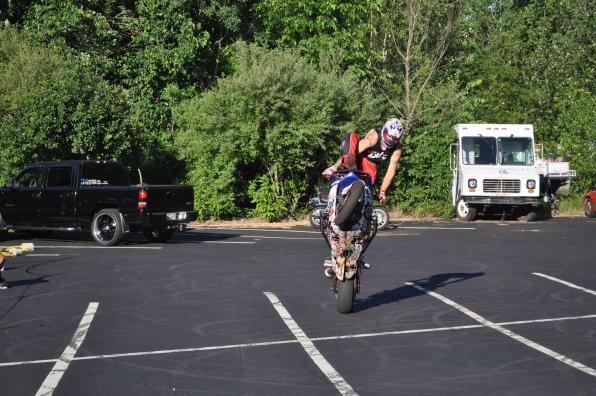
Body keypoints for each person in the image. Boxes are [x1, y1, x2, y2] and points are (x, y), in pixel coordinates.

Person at [322, 118, 404, 204]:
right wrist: (336, 166)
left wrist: (382, 191)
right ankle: (334, 171)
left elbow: (391, 171)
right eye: (388, 137)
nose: (390, 142)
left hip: (370, 164)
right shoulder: (374, 137)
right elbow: (353, 152)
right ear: (384, 131)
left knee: (368, 189)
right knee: (351, 148)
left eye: (394, 140)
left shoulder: (397, 149)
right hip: (358, 156)